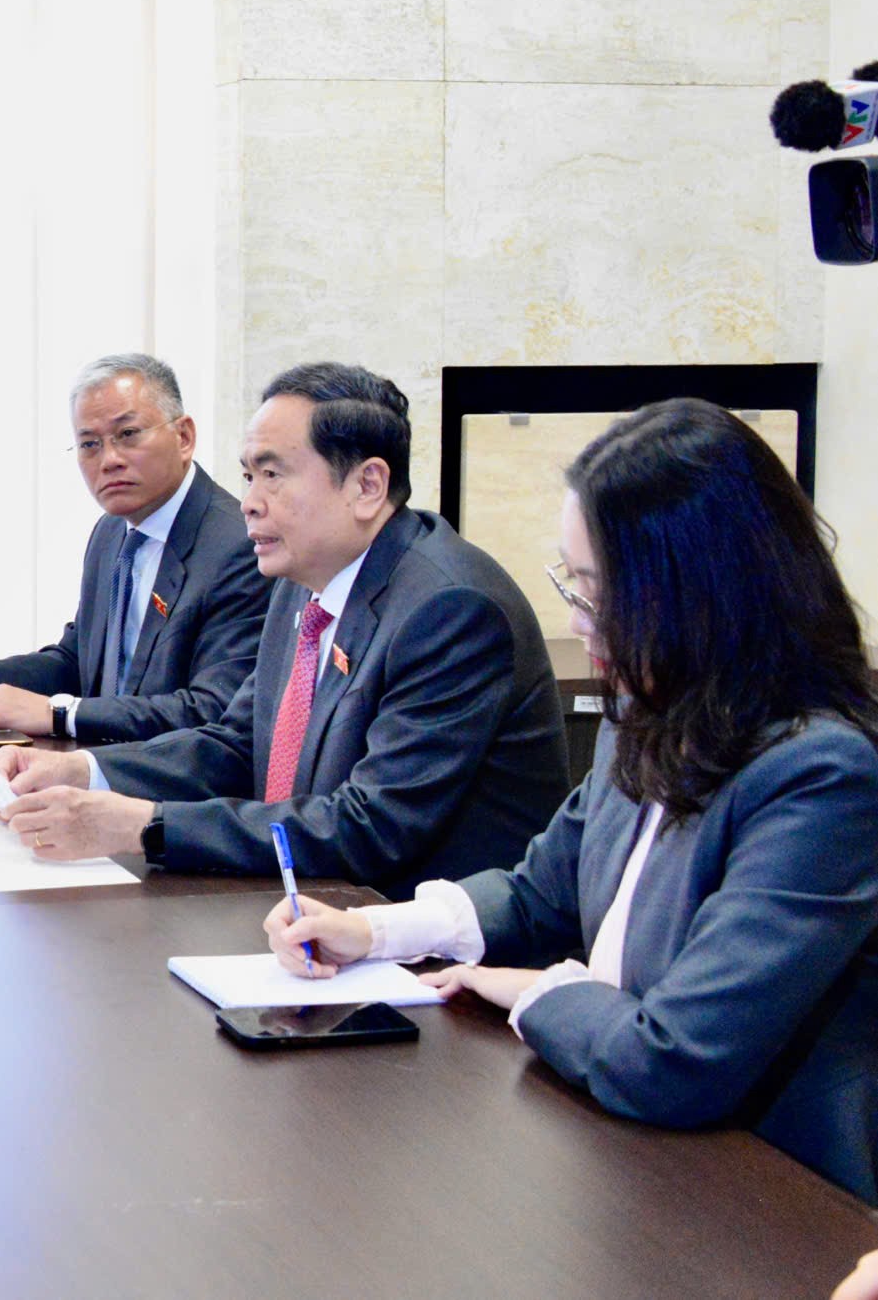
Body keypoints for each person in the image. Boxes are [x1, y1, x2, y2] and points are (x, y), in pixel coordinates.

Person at [265, 399, 878, 1204]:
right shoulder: (646, 711)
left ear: (697, 594)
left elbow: (674, 1060)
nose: (574, 618)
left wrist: (542, 990)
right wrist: (374, 931)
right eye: (571, 580)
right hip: (621, 1145)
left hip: (766, 1194)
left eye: (593, 590)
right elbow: (538, 891)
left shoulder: (820, 774)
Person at [0, 363, 568, 896]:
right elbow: (239, 743)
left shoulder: (450, 611)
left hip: (423, 946)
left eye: (272, 475)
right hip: (310, 912)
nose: (249, 503)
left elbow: (369, 827)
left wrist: (145, 825)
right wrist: (86, 771)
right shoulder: (302, 581)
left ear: (367, 486)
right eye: (248, 476)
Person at [0, 353, 269, 744]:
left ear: (184, 437)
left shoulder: (239, 547)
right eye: (89, 444)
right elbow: (79, 663)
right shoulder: (112, 532)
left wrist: (59, 714)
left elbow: (212, 711)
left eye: (128, 434)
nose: (109, 460)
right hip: (95, 766)